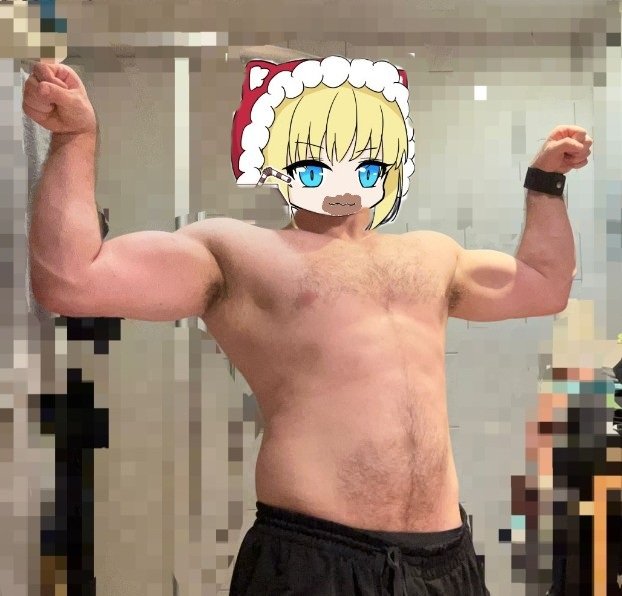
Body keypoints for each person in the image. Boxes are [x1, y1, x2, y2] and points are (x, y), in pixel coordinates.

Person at [23, 55, 592, 595]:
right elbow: (72, 281)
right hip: (316, 559)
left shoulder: (432, 256)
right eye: (318, 159)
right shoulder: (237, 251)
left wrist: (545, 183)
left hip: (443, 561)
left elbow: (545, 285)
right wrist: (75, 138)